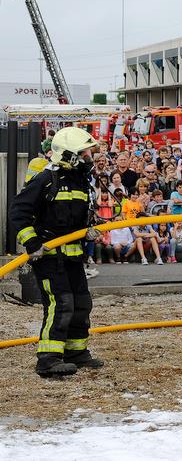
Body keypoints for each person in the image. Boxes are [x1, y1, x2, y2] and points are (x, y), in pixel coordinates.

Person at [9, 126, 104, 377]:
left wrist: (90, 228)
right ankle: (48, 360)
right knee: (61, 304)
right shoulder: (45, 179)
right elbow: (18, 213)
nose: (89, 158)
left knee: (82, 304)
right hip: (49, 256)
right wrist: (32, 244)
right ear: (69, 154)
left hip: (73, 256)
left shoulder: (81, 181)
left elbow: (77, 217)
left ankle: (76, 353)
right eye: (84, 153)